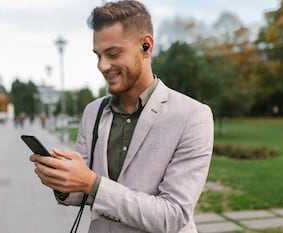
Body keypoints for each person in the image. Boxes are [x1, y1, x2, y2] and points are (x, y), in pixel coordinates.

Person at [29, 1, 214, 232]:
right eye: (98, 55)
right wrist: (63, 181)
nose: (102, 66)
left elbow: (173, 216)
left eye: (113, 54)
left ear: (146, 46)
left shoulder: (193, 116)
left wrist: (92, 183)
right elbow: (82, 193)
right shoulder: (92, 112)